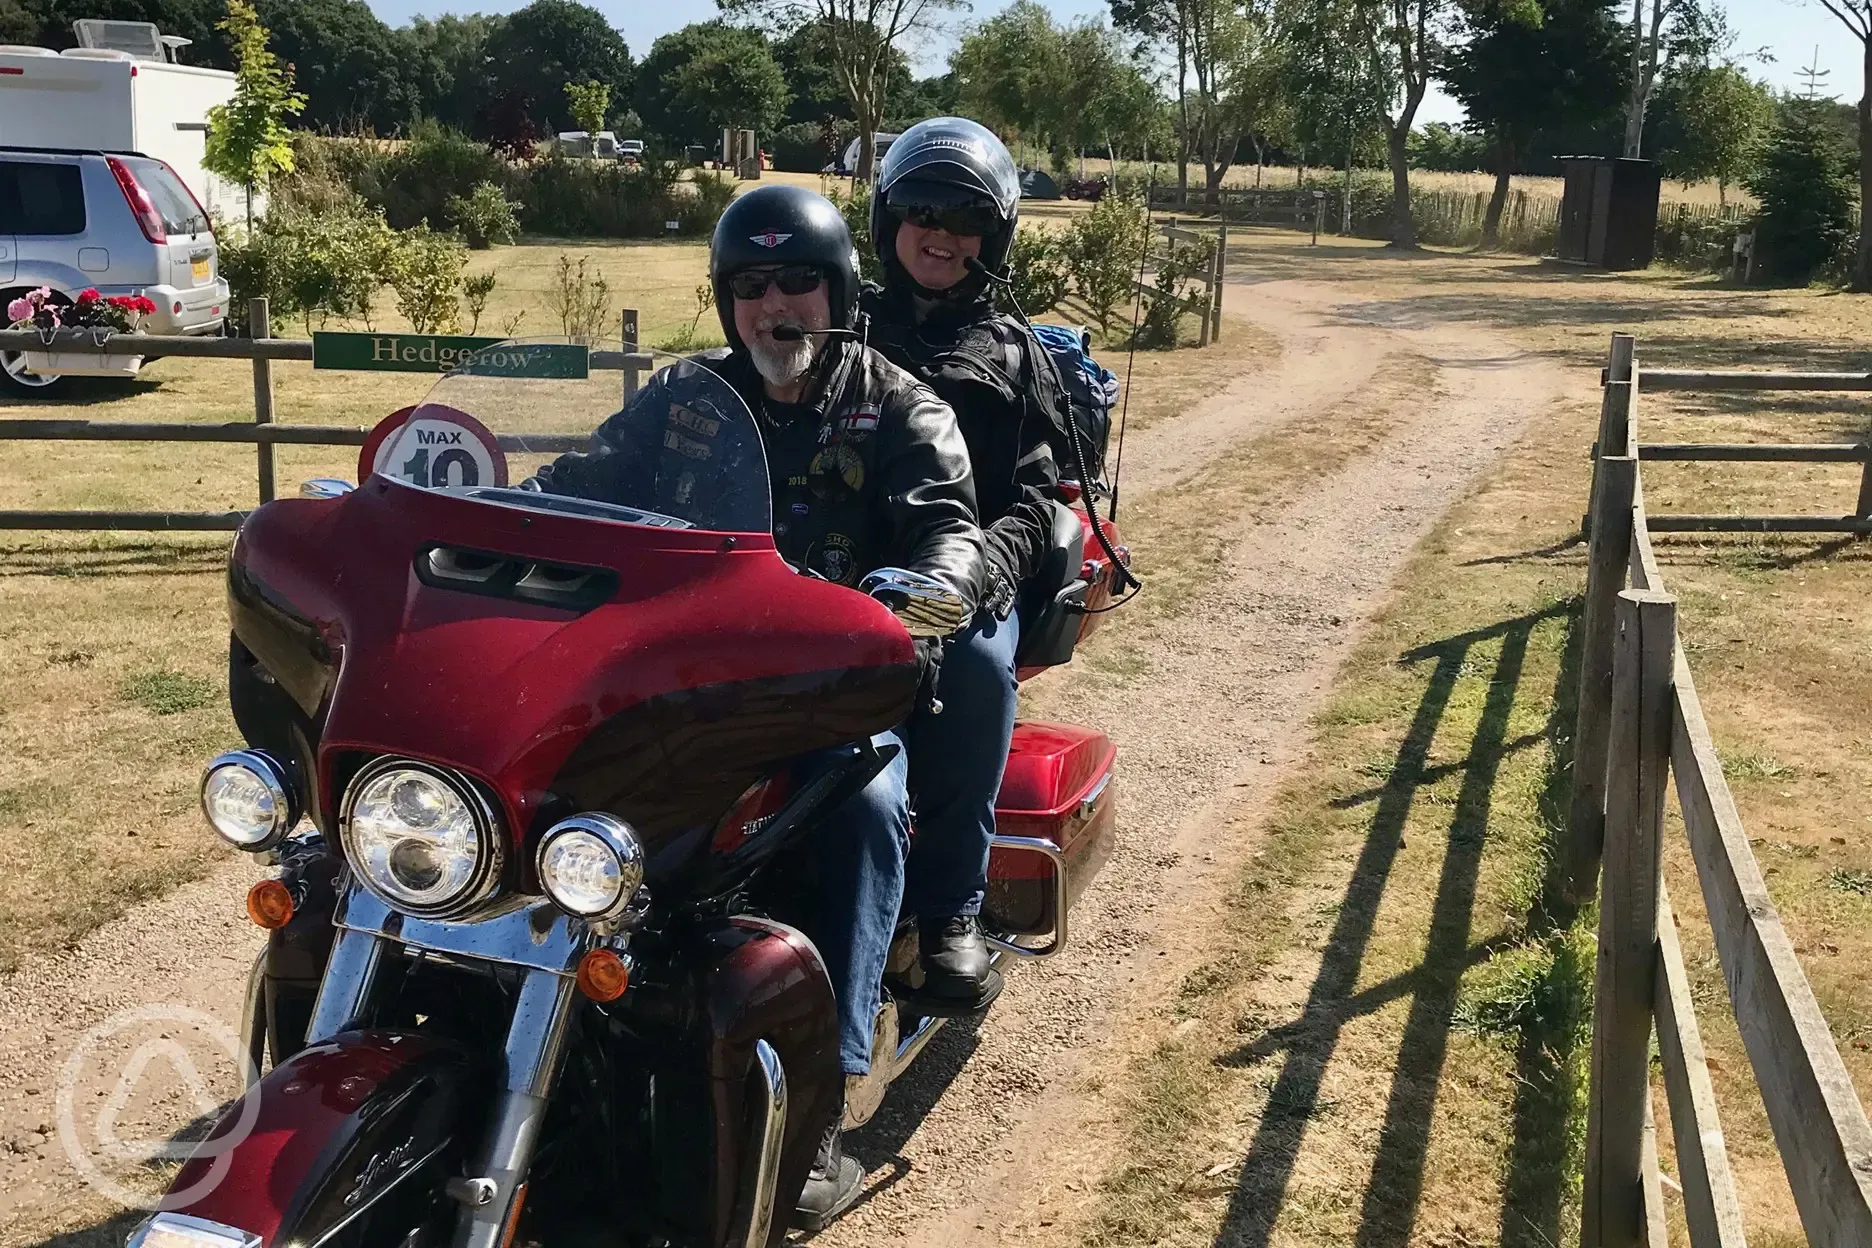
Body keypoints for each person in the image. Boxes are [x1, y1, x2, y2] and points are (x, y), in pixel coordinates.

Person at [526, 182, 985, 1230]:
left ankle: (828, 1105)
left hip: (835, 701)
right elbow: (581, 481)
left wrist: (928, 589)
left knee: (867, 809)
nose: (777, 305)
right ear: (729, 300)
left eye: (800, 282)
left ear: (840, 292)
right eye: (753, 285)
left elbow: (948, 525)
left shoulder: (902, 407)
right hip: (687, 691)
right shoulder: (683, 403)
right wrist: (501, 516)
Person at [861, 117, 1075, 1010]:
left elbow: (1036, 499)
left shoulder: (1016, 354)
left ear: (995, 236)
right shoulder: (836, 319)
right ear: (887, 219)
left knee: (978, 673)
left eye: (965, 216)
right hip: (839, 564)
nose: (941, 232)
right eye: (920, 209)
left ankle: (950, 906)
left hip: (964, 582)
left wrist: (975, 576)